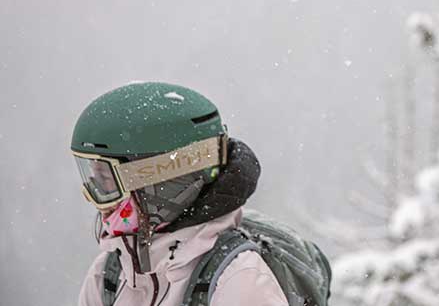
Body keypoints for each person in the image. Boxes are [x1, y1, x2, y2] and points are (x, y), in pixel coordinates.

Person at [73, 82, 331, 306]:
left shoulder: (238, 280)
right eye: (91, 177)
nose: (93, 197)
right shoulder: (109, 273)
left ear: (160, 180)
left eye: (106, 180)